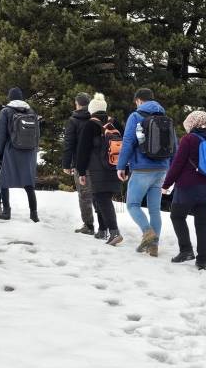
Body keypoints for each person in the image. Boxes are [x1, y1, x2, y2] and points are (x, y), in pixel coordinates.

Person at [117, 88, 176, 256]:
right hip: (161, 169)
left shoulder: (136, 116)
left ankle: (147, 232)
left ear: (139, 101)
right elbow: (175, 147)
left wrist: (121, 166)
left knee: (132, 205)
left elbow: (128, 142)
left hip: (142, 168)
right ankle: (153, 246)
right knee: (154, 210)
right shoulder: (166, 118)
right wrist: (169, 169)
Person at [163, 110, 206, 270]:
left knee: (177, 216)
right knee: (203, 224)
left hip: (188, 187)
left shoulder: (188, 139)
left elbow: (177, 164)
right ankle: (202, 260)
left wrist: (166, 184)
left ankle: (186, 250)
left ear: (191, 124)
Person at [76, 93, 124, 246]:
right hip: (115, 165)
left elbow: (82, 150)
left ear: (91, 111)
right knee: (102, 197)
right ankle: (103, 230)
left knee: (102, 199)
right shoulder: (115, 123)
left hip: (97, 168)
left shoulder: (90, 125)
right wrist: (125, 168)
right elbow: (126, 144)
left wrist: (81, 172)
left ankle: (114, 232)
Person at [0, 87, 40, 222]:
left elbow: (1, 134)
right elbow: (37, 134)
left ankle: (6, 212)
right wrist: (34, 150)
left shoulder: (6, 111)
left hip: (12, 150)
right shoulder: (31, 111)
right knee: (29, 184)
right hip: (29, 152)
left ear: (10, 98)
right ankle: (34, 214)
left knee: (4, 181)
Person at [63, 93, 98, 234]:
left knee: (84, 196)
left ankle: (88, 225)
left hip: (80, 163)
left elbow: (68, 144)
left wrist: (66, 164)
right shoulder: (95, 119)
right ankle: (104, 225)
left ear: (77, 104)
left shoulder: (73, 121)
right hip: (97, 163)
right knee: (98, 194)